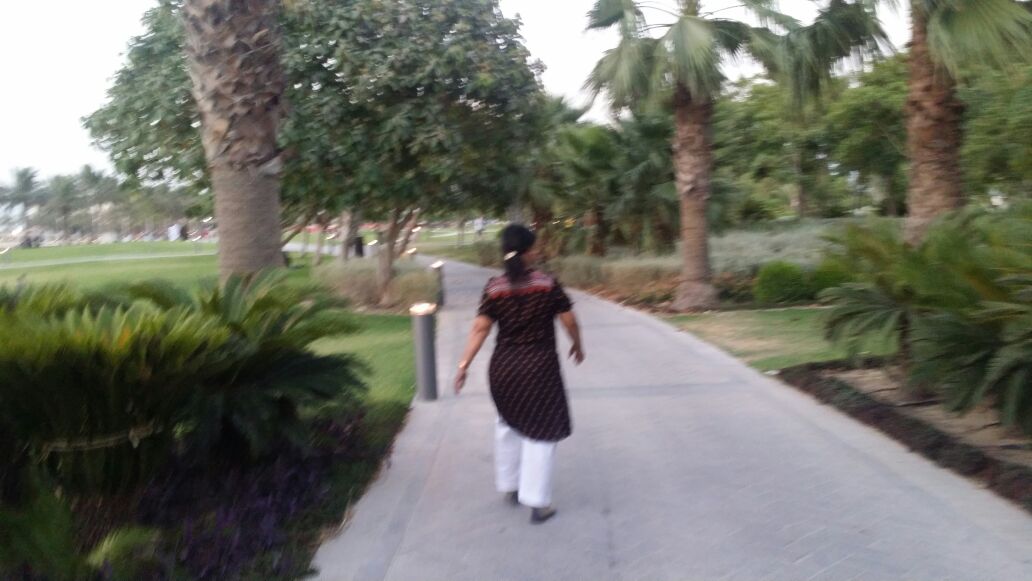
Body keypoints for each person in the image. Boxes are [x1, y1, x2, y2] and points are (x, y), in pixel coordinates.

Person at [454, 224, 585, 524]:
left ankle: (510, 486)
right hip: (539, 370)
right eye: (535, 248)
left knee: (508, 423)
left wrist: (463, 366)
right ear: (529, 252)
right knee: (542, 429)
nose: (537, 252)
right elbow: (569, 320)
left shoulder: (494, 287)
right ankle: (537, 502)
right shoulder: (547, 284)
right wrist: (578, 345)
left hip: (504, 369)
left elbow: (480, 329)